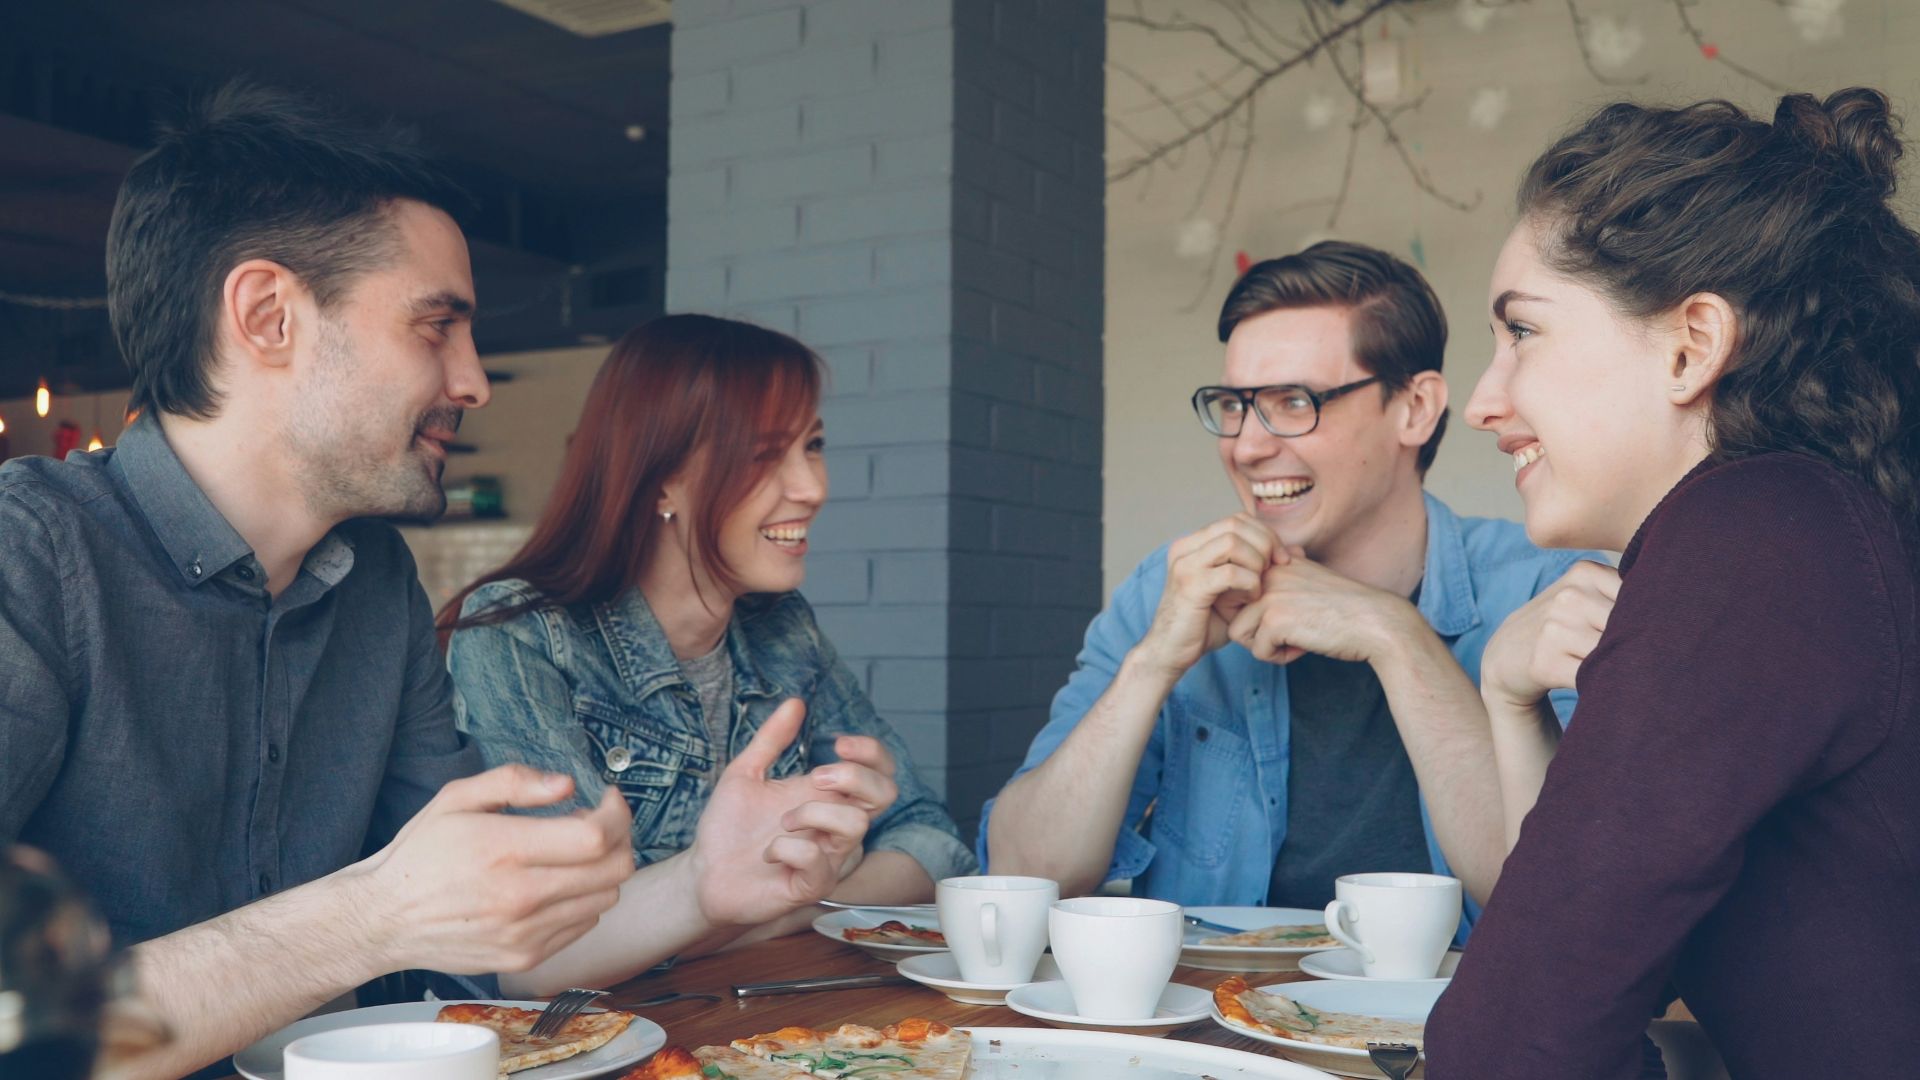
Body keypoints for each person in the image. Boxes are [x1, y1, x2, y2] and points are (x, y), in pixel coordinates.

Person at [0, 83, 888, 1080]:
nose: (471, 380)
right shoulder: (29, 559)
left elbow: (483, 943)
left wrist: (704, 886)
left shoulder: (374, 580)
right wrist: (370, 914)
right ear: (267, 315)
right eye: (436, 326)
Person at [1426, 88, 1920, 1078]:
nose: (1482, 401)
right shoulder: (1792, 527)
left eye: (1522, 332)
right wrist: (1509, 697)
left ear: (1692, 345)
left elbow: (1514, 1035)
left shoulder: (1754, 537)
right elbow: (1601, 957)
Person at [981, 241, 1598, 919]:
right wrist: (1154, 662)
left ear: (1415, 409)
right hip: (1210, 1019)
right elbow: (1021, 877)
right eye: (1234, 404)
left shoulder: (1547, 591)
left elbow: (1559, 909)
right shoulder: (1172, 590)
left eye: (1293, 401)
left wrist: (1393, 634)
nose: (1246, 446)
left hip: (1454, 1025)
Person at [442, 314, 976, 970]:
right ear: (663, 480)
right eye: (763, 455)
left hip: (743, 1023)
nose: (812, 488)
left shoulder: (781, 627)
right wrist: (801, 893)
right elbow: (548, 950)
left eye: (812, 445)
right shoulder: (520, 637)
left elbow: (934, 842)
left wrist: (764, 908)